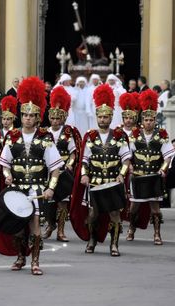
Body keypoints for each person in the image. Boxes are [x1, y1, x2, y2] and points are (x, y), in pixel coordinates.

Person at [0, 77, 63, 275]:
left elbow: (55, 167)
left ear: (38, 117)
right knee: (18, 229)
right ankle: (20, 257)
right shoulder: (12, 137)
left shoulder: (45, 138)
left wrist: (51, 187)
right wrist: (7, 175)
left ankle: (35, 261)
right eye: (25, 115)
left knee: (35, 229)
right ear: (20, 116)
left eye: (32, 115)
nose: (28, 118)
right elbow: (5, 164)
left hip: (38, 190)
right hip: (17, 189)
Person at [70, 83, 131, 257]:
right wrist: (84, 175)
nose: (103, 119)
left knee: (114, 214)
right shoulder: (90, 136)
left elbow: (126, 159)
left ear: (111, 117)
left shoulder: (119, 136)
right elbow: (85, 160)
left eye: (106, 117)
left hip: (113, 182)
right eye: (100, 117)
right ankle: (92, 239)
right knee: (92, 214)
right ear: (96, 117)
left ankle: (114, 244)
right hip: (95, 181)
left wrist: (121, 174)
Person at [126, 89, 175, 244]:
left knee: (155, 208)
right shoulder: (134, 134)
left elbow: (168, 156)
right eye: (146, 120)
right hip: (138, 176)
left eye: (151, 120)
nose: (149, 122)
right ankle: (131, 229)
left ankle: (156, 234)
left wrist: (163, 169)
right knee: (134, 207)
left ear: (155, 120)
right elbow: (127, 155)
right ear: (142, 121)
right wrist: (130, 168)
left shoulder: (161, 135)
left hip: (154, 176)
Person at [43, 86, 81, 242]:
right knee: (48, 202)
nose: (55, 121)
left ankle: (60, 230)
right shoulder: (44, 132)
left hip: (64, 171)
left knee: (63, 203)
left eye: (58, 118)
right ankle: (50, 225)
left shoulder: (68, 132)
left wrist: (70, 163)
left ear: (63, 118)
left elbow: (73, 152)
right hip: (47, 171)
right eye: (53, 118)